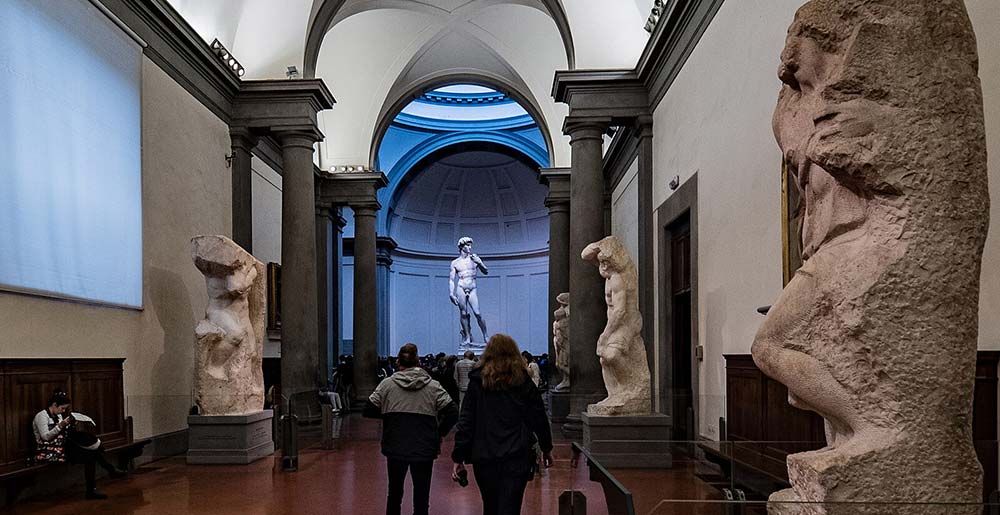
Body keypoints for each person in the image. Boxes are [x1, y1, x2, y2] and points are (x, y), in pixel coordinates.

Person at [452, 334, 553, 515]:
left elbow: (466, 421)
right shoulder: (523, 381)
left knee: (490, 506)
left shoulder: (477, 382)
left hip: (484, 455)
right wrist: (546, 448)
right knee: (511, 507)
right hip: (516, 453)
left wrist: (458, 457)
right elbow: (538, 417)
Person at [365, 343, 459, 515]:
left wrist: (390, 414)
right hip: (424, 446)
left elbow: (369, 409)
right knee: (421, 496)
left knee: (394, 493)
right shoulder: (432, 386)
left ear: (398, 362)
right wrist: (439, 432)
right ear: (418, 362)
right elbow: (453, 412)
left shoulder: (387, 385)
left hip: (395, 444)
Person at [34, 391, 126, 499]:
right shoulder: (41, 416)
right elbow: (45, 437)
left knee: (91, 453)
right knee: (91, 455)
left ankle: (97, 484)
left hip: (61, 447)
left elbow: (61, 432)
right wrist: (61, 425)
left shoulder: (57, 414)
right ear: (54, 405)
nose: (63, 411)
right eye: (62, 408)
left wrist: (70, 425)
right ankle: (107, 474)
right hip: (48, 451)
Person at [449, 237, 489, 347]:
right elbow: (452, 280)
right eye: (468, 245)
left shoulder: (474, 259)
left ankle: (485, 336)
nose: (470, 247)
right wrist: (451, 294)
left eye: (471, 245)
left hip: (472, 287)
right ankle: (467, 337)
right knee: (463, 313)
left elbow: (485, 271)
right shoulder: (455, 263)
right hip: (461, 287)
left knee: (477, 313)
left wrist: (480, 263)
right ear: (462, 247)